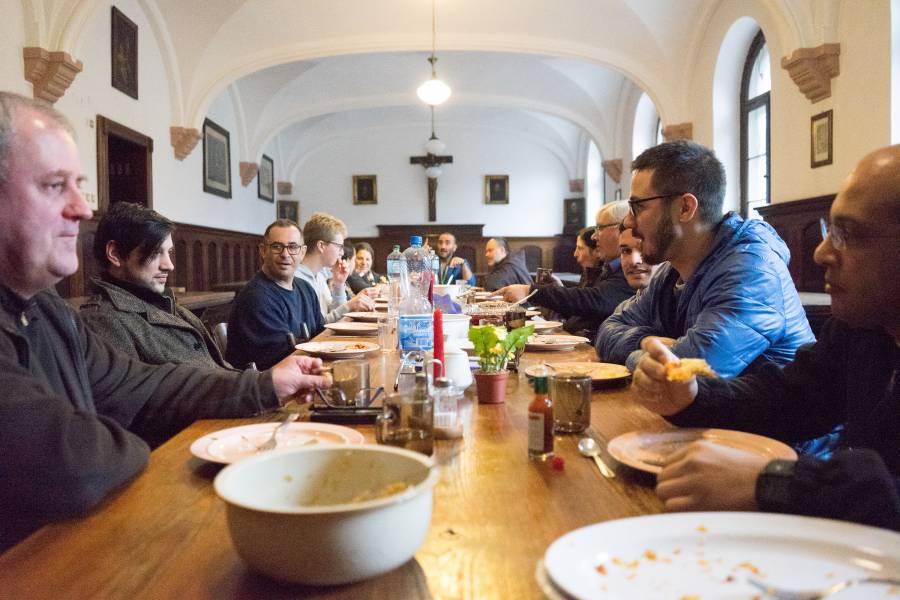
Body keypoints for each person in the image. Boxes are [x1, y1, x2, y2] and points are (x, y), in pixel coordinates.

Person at [0, 92, 330, 551]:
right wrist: (141, 448)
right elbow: (73, 463)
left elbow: (143, 383)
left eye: (79, 184)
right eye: (55, 185)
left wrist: (264, 385)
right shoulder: (88, 315)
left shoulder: (46, 309)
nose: (82, 208)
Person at [631, 144, 900, 531]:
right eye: (828, 230)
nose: (821, 252)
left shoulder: (750, 265)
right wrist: (692, 397)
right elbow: (791, 397)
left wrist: (776, 481)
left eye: (848, 234)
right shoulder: (863, 328)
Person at [595, 141, 814, 379]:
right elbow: (606, 332)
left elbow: (685, 373)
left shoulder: (752, 271)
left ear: (685, 208)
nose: (627, 222)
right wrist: (647, 341)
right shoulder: (669, 273)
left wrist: (638, 355)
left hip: (769, 416)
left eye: (638, 206)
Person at [79, 202, 231, 369]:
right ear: (115, 254)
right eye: (155, 252)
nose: (169, 265)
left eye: (169, 252)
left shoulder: (163, 302)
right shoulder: (102, 321)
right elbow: (133, 393)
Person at [497, 202, 635, 340]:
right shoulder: (609, 268)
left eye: (599, 228)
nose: (594, 236)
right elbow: (585, 309)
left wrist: (530, 291)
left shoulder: (632, 270)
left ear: (621, 228)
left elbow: (594, 300)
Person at [226, 219, 325, 370]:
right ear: (263, 251)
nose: (285, 254)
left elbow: (322, 338)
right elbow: (281, 365)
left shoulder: (306, 288)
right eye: (277, 246)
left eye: (292, 247)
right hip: (265, 388)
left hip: (302, 374)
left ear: (303, 252)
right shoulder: (256, 298)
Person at [295, 212, 375, 323]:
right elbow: (318, 326)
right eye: (339, 247)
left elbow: (335, 319)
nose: (342, 252)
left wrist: (339, 284)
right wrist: (349, 306)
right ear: (321, 246)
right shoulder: (297, 279)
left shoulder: (318, 276)